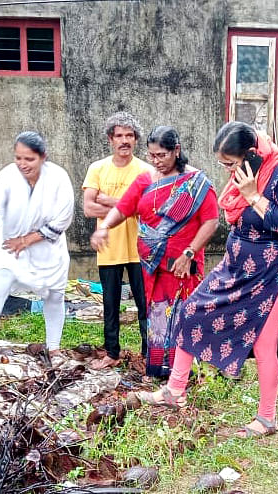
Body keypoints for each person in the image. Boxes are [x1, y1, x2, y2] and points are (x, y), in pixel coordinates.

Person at [134, 121, 278, 438]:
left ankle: (267, 419)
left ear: (252, 155)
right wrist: (245, 192)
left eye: (231, 163)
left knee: (265, 344)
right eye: (223, 164)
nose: (227, 171)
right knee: (189, 312)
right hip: (236, 265)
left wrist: (255, 197)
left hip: (271, 271)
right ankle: (175, 391)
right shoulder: (243, 177)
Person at [91, 126, 219, 377]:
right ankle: (161, 368)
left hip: (182, 264)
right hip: (152, 265)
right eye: (152, 155)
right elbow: (124, 208)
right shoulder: (145, 179)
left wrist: (190, 252)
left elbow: (211, 221)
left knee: (182, 314)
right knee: (157, 313)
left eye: (162, 155)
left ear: (176, 151)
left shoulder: (196, 183)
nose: (156, 161)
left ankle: (184, 372)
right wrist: (104, 227)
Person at [0, 131, 74, 360]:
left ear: (43, 157)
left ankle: (54, 346)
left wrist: (26, 240)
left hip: (48, 247)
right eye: (18, 158)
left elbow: (62, 220)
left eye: (29, 159)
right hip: (10, 247)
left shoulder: (59, 178)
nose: (22, 164)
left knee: (54, 295)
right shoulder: (7, 176)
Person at [83, 112, 152, 370]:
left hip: (140, 248)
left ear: (136, 140)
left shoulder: (146, 171)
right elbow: (89, 208)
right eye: (119, 135)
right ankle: (111, 352)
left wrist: (110, 201)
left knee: (145, 305)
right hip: (109, 248)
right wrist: (128, 206)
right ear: (110, 139)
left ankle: (148, 355)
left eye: (130, 135)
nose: (125, 140)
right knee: (110, 305)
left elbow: (147, 209)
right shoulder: (97, 168)